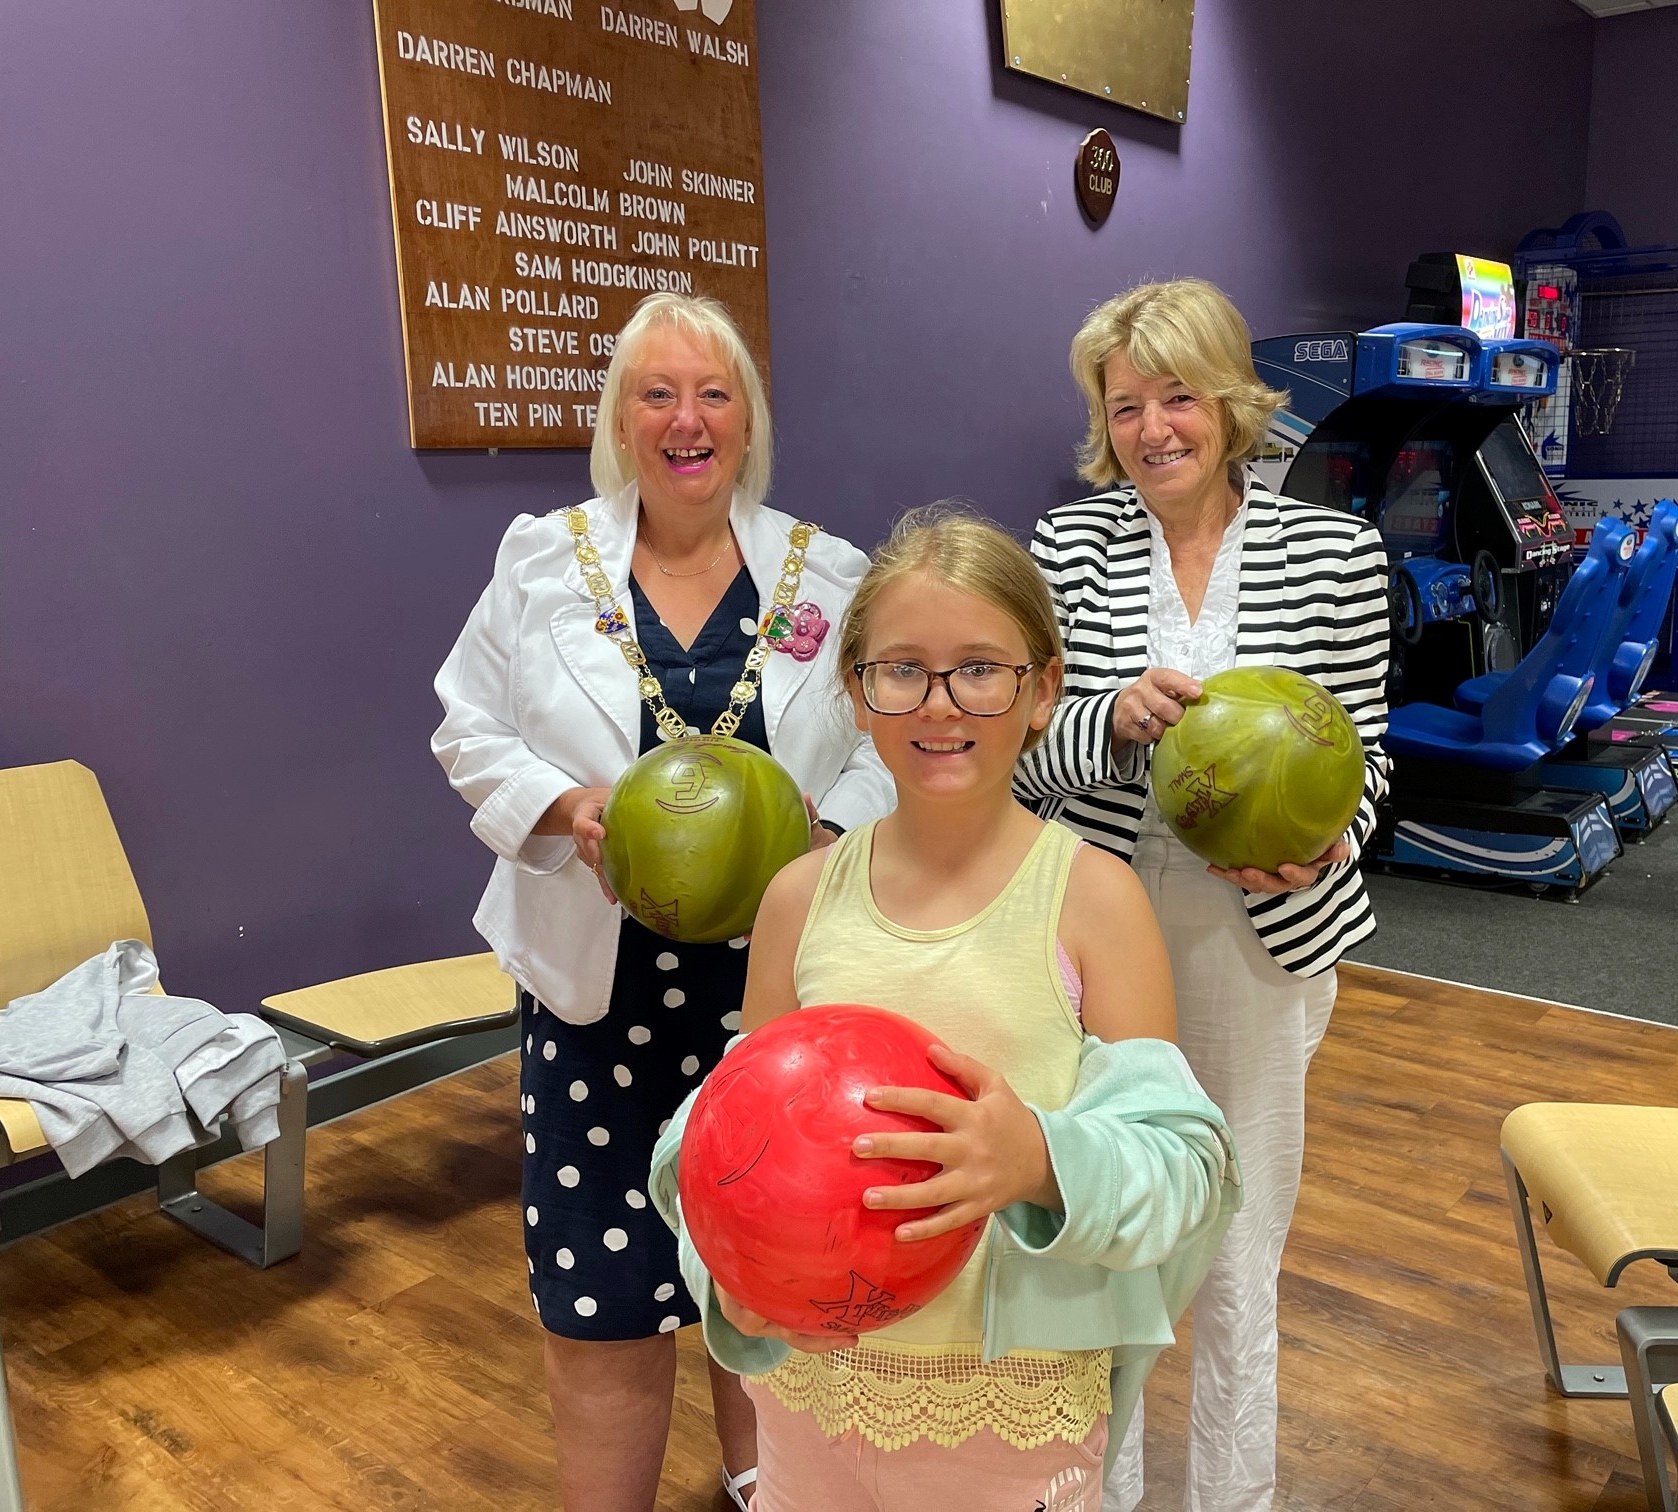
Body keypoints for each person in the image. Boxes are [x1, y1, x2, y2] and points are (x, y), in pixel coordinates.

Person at [649, 509, 1240, 1512]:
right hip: (811, 1400)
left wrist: (1038, 1158)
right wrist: (721, 1257)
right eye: (903, 670)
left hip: (1013, 1418)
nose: (940, 701)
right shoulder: (800, 898)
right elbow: (717, 1136)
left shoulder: (1096, 900)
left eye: (979, 668)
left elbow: (1186, 1169)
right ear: (859, 692)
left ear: (1043, 688)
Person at [431, 292, 893, 1512]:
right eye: (658, 393)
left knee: (770, 1271)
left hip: (777, 994)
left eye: (714, 393)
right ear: (622, 421)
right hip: (596, 997)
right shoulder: (543, 559)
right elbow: (464, 727)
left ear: (748, 420)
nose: (688, 419)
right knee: (602, 1292)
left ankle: (765, 1486)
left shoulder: (825, 571)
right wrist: (559, 806)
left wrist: (830, 827)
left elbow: (881, 740)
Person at [1016, 278, 1393, 1512]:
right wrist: (1112, 721)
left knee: (1236, 1249)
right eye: (1127, 406)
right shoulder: (1063, 548)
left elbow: (1367, 759)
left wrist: (1327, 847)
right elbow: (1022, 745)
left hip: (1258, 931)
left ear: (1231, 402)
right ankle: (1097, 1493)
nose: (1153, 428)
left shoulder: (1336, 552)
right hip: (1100, 920)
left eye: (1178, 397)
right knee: (1103, 1230)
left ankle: (1235, 1501)